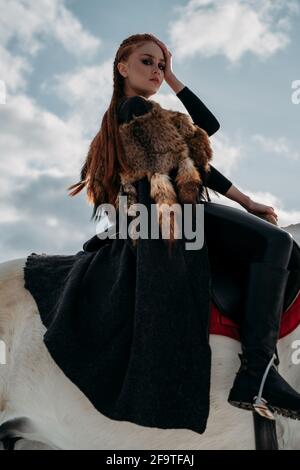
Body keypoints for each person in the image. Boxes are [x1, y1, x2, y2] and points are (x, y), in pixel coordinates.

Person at [68, 33, 300, 421]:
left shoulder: (153, 115)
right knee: (275, 244)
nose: (156, 70)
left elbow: (207, 127)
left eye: (161, 64)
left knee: (275, 243)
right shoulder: (132, 109)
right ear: (121, 68)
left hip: (179, 213)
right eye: (147, 62)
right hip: (170, 216)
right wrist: (245, 202)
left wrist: (173, 77)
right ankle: (256, 373)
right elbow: (183, 163)